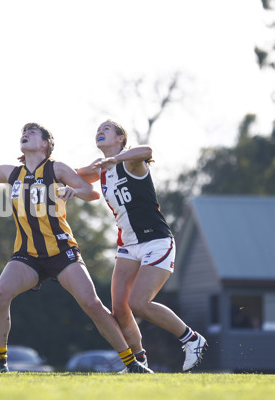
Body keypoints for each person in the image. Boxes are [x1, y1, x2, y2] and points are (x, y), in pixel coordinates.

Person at [0, 113, 152, 373]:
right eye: (23, 131)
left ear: (45, 144)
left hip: (62, 250)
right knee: (1, 294)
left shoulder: (56, 168)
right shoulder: (12, 172)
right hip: (27, 254)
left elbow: (92, 192)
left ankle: (132, 363)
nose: (25, 133)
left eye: (32, 131)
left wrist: (74, 190)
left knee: (92, 304)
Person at [75, 119, 208, 372]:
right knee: (120, 309)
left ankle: (192, 339)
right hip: (128, 245)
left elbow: (147, 151)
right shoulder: (103, 168)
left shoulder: (130, 161)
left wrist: (117, 158)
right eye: (98, 129)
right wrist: (42, 169)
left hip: (156, 241)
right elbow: (72, 174)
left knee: (139, 303)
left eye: (106, 129)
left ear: (120, 139)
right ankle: (139, 363)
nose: (100, 131)